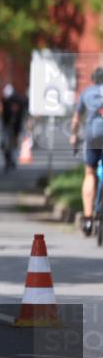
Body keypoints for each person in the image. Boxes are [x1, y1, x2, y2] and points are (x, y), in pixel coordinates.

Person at [69, 67, 103, 237]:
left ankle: (88, 218)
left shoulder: (86, 93)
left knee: (90, 173)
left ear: (93, 80)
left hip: (93, 137)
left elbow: (76, 120)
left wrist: (74, 136)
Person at [0, 83, 27, 171]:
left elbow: (24, 107)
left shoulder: (19, 100)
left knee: (14, 142)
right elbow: (2, 112)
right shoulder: (5, 101)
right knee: (5, 143)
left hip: (15, 125)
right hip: (7, 125)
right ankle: (8, 159)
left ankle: (12, 159)